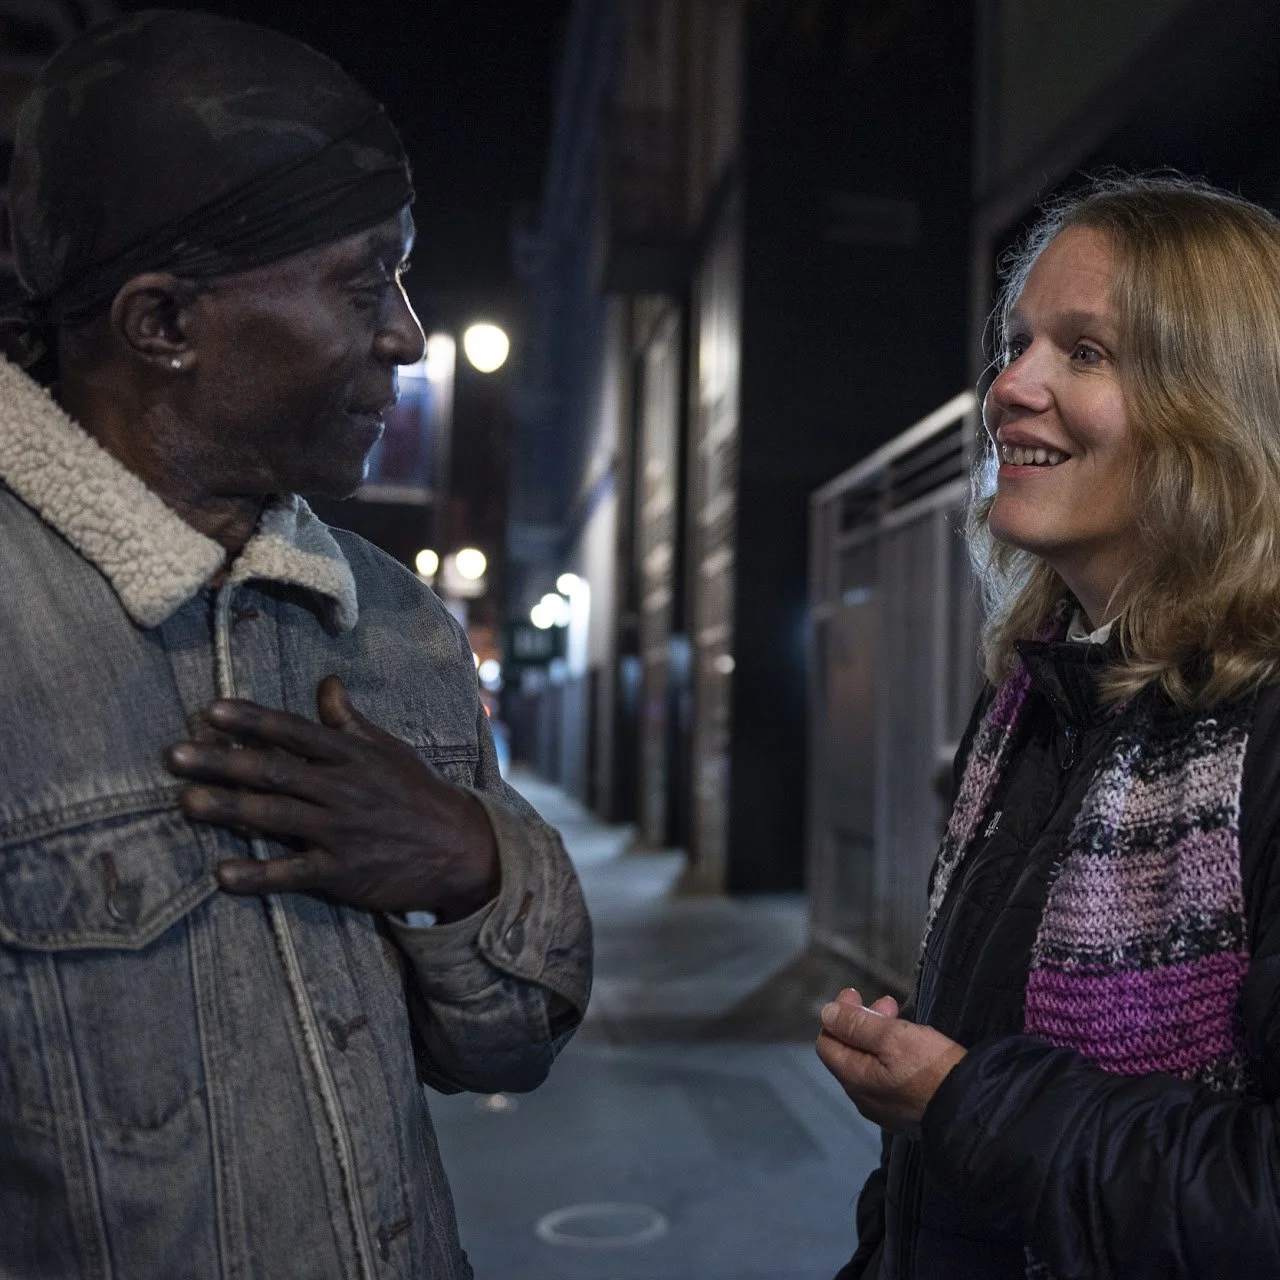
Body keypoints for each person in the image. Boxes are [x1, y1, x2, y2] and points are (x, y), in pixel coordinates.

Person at [0, 11, 591, 1279]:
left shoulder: (389, 623)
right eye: (362, 280)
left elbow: (511, 1045)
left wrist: (468, 859)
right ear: (164, 321)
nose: (408, 335)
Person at [817, 174, 1280, 1278]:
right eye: (1016, 343)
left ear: (1212, 409)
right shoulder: (1031, 700)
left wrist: (963, 1100)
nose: (1006, 387)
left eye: (1083, 352)